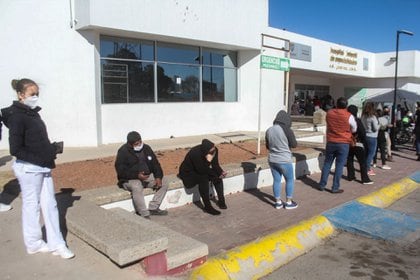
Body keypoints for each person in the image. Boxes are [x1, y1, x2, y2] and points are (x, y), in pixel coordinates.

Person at [1, 78, 74, 258]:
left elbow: (37, 141)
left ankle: (57, 244)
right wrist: (43, 156)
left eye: (37, 94)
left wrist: (51, 149)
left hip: (42, 166)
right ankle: (33, 243)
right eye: (32, 94)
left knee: (50, 205)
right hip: (29, 169)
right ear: (20, 95)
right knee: (31, 207)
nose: (35, 97)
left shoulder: (33, 113)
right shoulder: (18, 117)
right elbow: (16, 149)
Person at [115, 131, 168, 219]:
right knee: (137, 186)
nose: (139, 144)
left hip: (146, 177)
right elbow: (121, 171)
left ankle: (153, 207)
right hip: (130, 179)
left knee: (164, 181)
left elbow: (155, 164)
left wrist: (158, 177)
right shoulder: (123, 151)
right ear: (130, 144)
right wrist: (137, 175)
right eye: (136, 144)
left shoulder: (146, 148)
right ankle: (144, 213)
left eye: (140, 142)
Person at [178, 139, 227, 215]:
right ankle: (208, 207)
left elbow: (215, 165)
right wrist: (208, 160)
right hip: (188, 173)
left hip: (202, 168)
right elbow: (201, 170)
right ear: (206, 151)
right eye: (211, 151)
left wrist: (221, 172)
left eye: (214, 149)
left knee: (218, 176)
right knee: (203, 178)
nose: (213, 151)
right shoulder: (195, 153)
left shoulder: (214, 150)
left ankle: (221, 200)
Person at [318, 97, 357, 193]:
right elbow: (354, 128)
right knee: (339, 165)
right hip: (343, 142)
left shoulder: (329, 113)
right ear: (346, 105)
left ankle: (322, 184)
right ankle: (335, 187)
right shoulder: (349, 116)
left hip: (331, 141)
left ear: (336, 103)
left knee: (327, 163)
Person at [265, 110, 298, 209]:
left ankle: (278, 202)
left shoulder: (269, 130)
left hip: (272, 160)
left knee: (276, 180)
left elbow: (267, 146)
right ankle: (288, 202)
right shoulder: (287, 130)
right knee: (289, 180)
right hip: (284, 160)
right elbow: (294, 144)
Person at [346, 105, 373, 185]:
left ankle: (351, 176)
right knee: (362, 162)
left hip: (348, 142)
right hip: (357, 143)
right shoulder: (357, 120)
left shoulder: (345, 120)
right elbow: (362, 132)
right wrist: (364, 142)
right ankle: (365, 179)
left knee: (349, 160)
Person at [361, 102, 379, 176]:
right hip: (372, 136)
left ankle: (364, 167)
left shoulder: (363, 116)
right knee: (371, 154)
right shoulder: (373, 117)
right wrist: (380, 125)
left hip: (365, 135)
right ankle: (367, 168)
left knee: (366, 153)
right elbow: (375, 128)